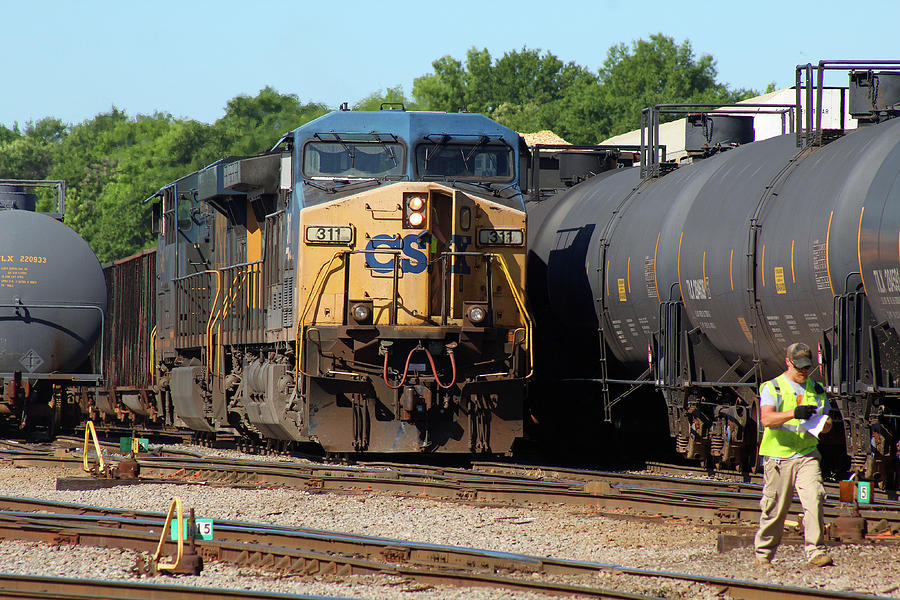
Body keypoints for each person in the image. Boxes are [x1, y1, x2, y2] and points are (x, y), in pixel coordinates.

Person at [754, 342, 834, 569]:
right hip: (779, 458)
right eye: (799, 366)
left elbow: (826, 423)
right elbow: (767, 419)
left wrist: (825, 424)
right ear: (788, 362)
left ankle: (815, 552)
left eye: (807, 367)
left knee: (815, 498)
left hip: (807, 454)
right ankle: (763, 555)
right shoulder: (773, 387)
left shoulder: (816, 389)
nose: (803, 371)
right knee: (776, 510)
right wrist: (793, 413)